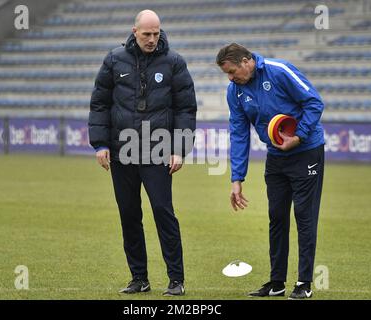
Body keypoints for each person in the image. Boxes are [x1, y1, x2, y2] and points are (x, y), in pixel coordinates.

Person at [88, 10, 197, 296]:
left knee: (163, 213)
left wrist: (180, 149)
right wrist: (100, 144)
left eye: (156, 33)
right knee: (129, 215)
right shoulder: (114, 60)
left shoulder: (174, 62)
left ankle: (176, 280)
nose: (152, 39)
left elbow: (186, 108)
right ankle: (139, 278)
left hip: (158, 150)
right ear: (134, 31)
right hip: (122, 152)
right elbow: (99, 103)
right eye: (146, 34)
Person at [216, 43, 325, 299]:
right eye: (227, 75)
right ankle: (277, 283)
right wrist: (236, 178)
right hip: (276, 157)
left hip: (306, 151)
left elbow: (314, 102)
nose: (230, 79)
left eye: (232, 72)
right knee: (276, 217)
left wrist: (298, 136)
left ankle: (304, 283)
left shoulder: (279, 71)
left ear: (246, 61)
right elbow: (239, 133)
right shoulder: (235, 92)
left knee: (304, 215)